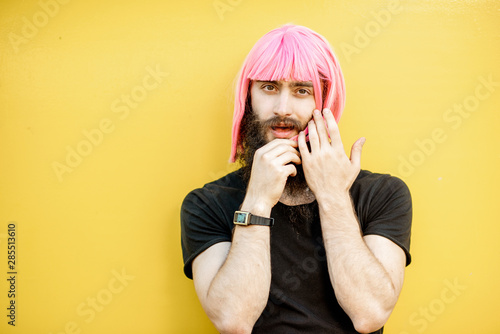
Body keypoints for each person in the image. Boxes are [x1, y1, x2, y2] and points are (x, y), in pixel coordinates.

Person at [181, 24, 412, 334]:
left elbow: (370, 314)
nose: (282, 109)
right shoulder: (207, 203)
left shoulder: (383, 194)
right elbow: (233, 322)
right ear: (248, 97)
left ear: (325, 102)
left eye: (302, 90)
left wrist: (332, 195)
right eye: (269, 87)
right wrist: (258, 200)